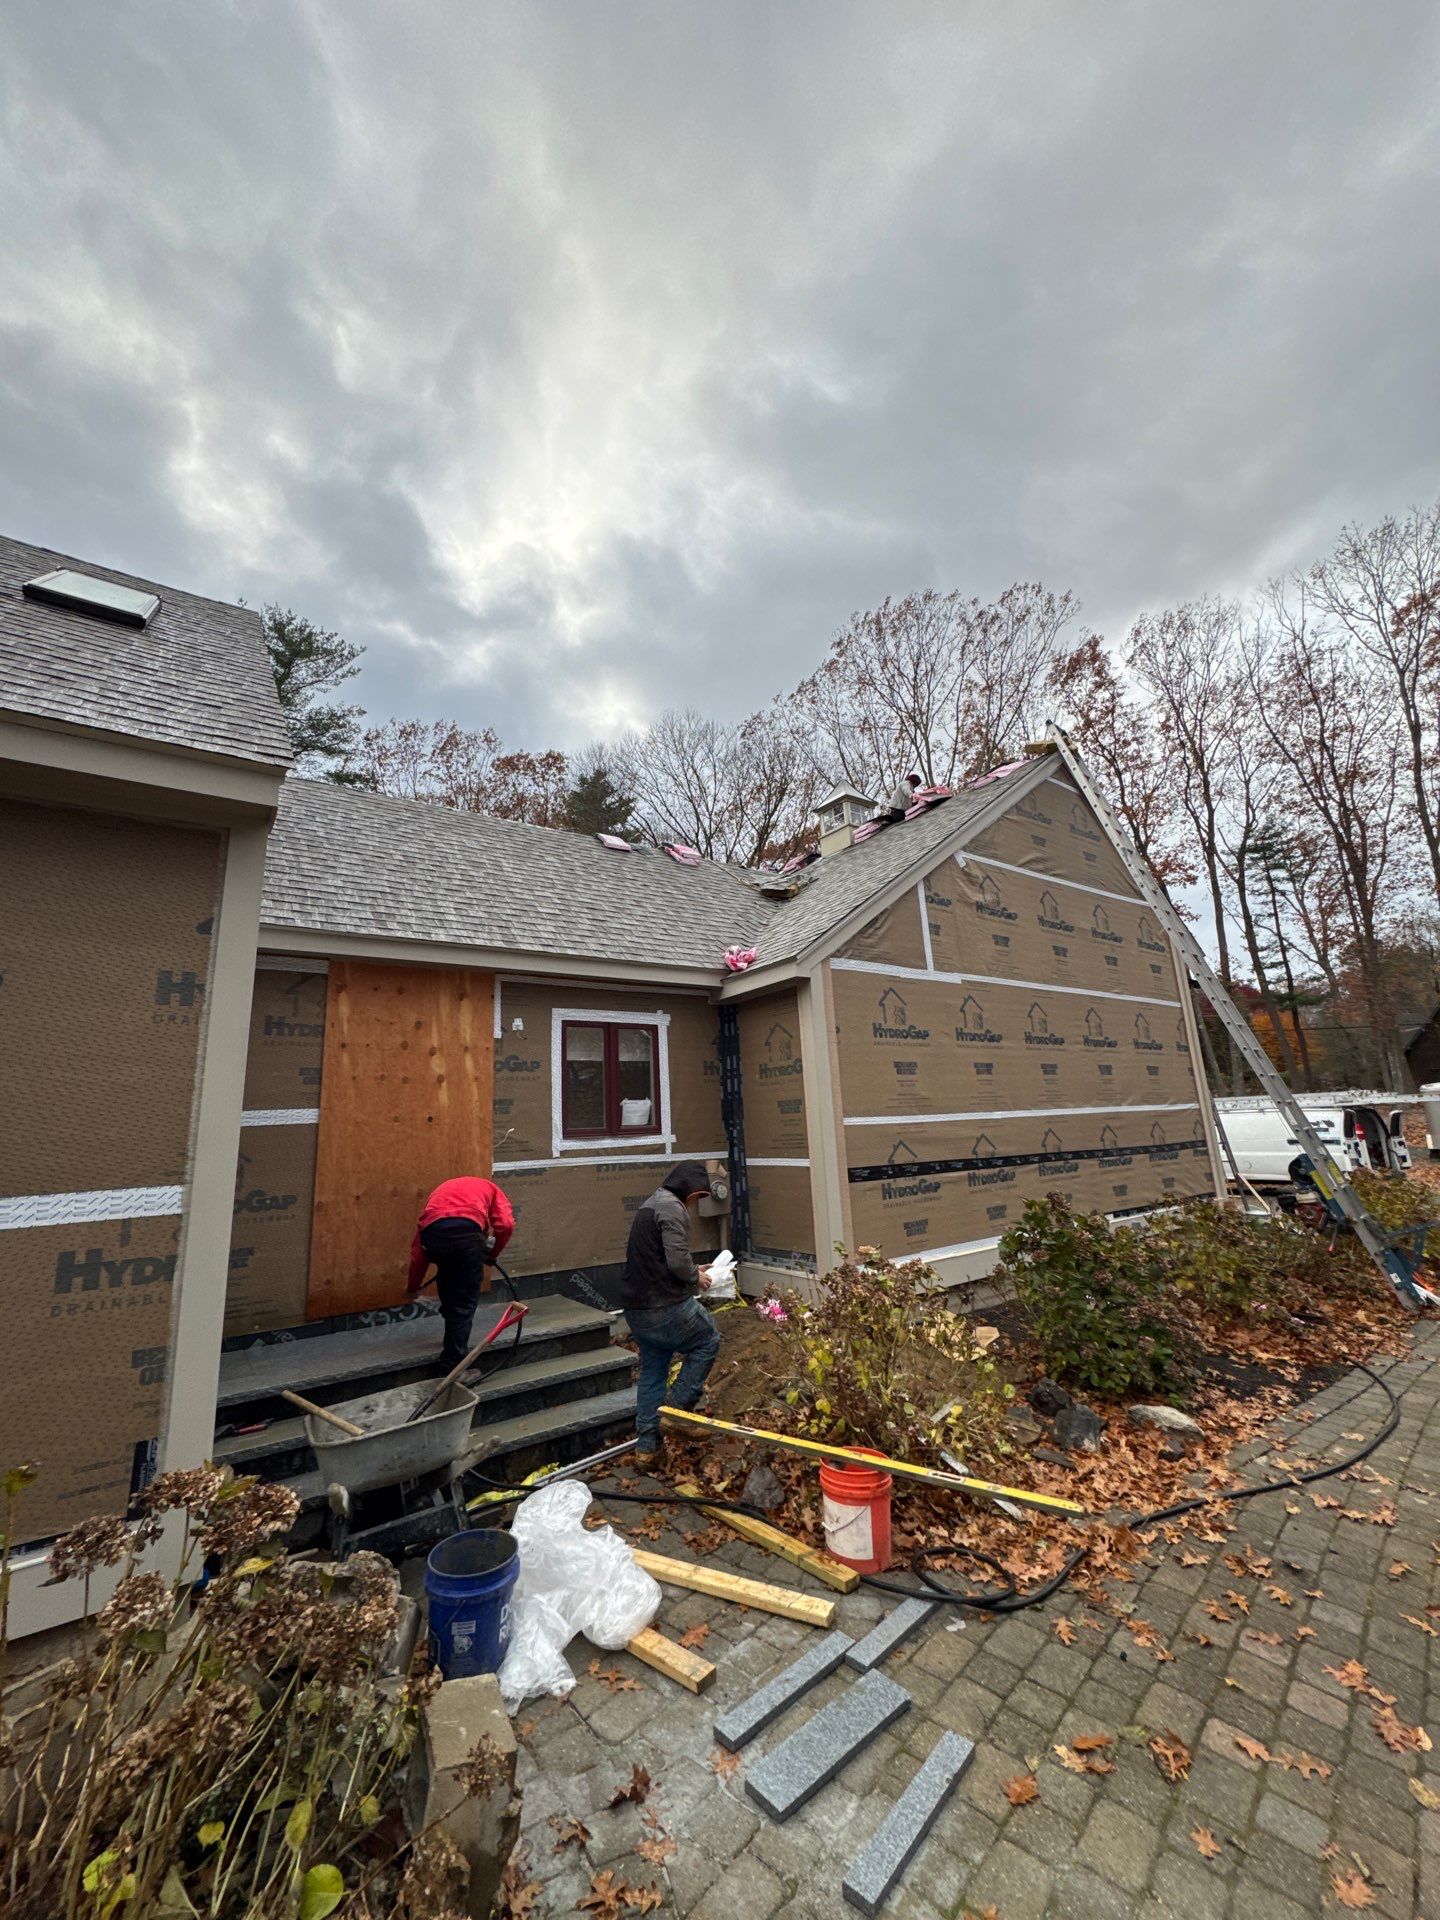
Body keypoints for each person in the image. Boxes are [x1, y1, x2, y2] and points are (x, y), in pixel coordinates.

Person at [621, 1161, 721, 1465]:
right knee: (708, 1341)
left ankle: (647, 1450)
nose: (695, 1204)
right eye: (697, 1197)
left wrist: (693, 1268)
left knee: (654, 1371)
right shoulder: (673, 1208)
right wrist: (695, 1277)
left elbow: (662, 1259)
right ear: (688, 1190)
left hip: (637, 1309)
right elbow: (678, 1264)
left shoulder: (652, 1205)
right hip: (664, 1306)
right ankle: (677, 1413)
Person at [407, 1175, 516, 1371]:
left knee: (449, 1278)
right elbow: (506, 1224)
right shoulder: (491, 1189)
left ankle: (452, 1328)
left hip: (434, 1236)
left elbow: (418, 1255)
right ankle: (452, 1367)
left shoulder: (443, 1190)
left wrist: (413, 1288)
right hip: (467, 1236)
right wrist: (492, 1254)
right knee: (463, 1304)